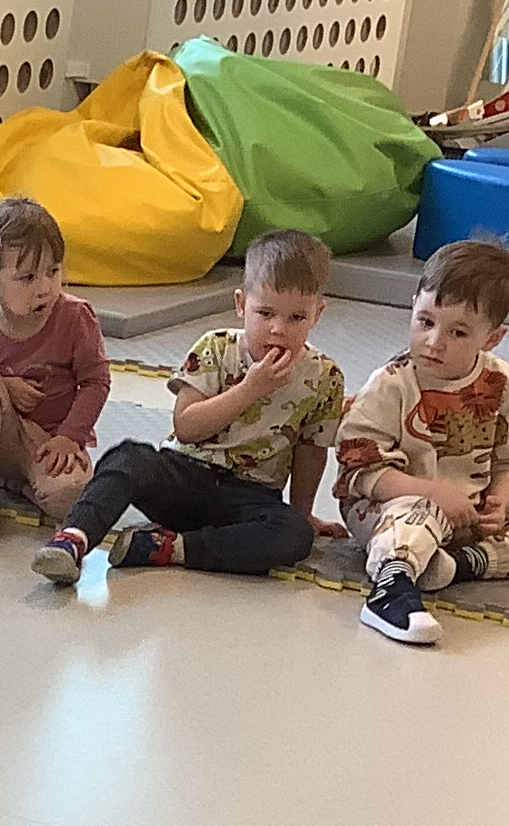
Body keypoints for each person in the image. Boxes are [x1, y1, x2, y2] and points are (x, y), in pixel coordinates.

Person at [34, 229, 347, 589]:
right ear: (241, 304)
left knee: (294, 535)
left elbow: (310, 452)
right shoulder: (215, 347)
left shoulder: (325, 377)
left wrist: (303, 513)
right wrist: (250, 389)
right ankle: (74, 538)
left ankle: (172, 548)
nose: (278, 329)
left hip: (250, 496)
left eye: (296, 318)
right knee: (128, 457)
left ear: (318, 313)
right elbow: (186, 427)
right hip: (184, 475)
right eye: (265, 313)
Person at [334, 235, 509, 647]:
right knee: (418, 514)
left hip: (467, 517)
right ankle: (391, 587)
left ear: (492, 337)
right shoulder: (391, 384)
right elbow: (359, 471)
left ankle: (457, 565)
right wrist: (431, 492)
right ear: (413, 306)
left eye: (459, 332)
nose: (434, 341)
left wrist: (500, 501)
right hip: (390, 507)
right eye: (425, 322)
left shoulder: (502, 384)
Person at [0, 198, 106, 526]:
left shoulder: (75, 317)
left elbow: (96, 381)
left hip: (49, 443)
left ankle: (18, 485)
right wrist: (1, 385)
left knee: (72, 497)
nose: (44, 288)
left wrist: (69, 437)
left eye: (53, 272)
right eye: (27, 278)